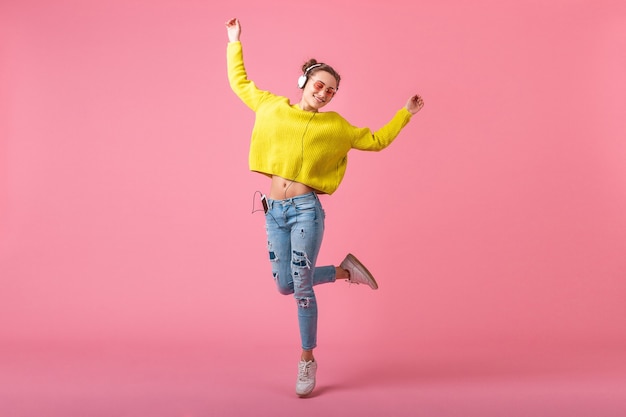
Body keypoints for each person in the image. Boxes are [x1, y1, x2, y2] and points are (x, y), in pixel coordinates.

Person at [225, 17, 424, 397]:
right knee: (285, 283)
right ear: (304, 82)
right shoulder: (271, 107)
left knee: (300, 286)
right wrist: (234, 41)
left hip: (304, 211)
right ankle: (345, 272)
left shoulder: (336, 127)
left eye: (332, 91)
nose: (325, 93)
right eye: (320, 85)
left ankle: (306, 360)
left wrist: (405, 114)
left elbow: (377, 141)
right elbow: (240, 82)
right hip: (273, 211)